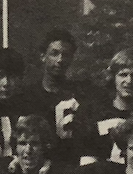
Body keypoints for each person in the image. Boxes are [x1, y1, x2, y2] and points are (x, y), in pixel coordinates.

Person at [25, 29, 91, 164]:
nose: (60, 60)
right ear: (43, 56)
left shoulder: (79, 95)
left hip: (70, 164)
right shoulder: (28, 96)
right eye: (54, 54)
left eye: (65, 55)